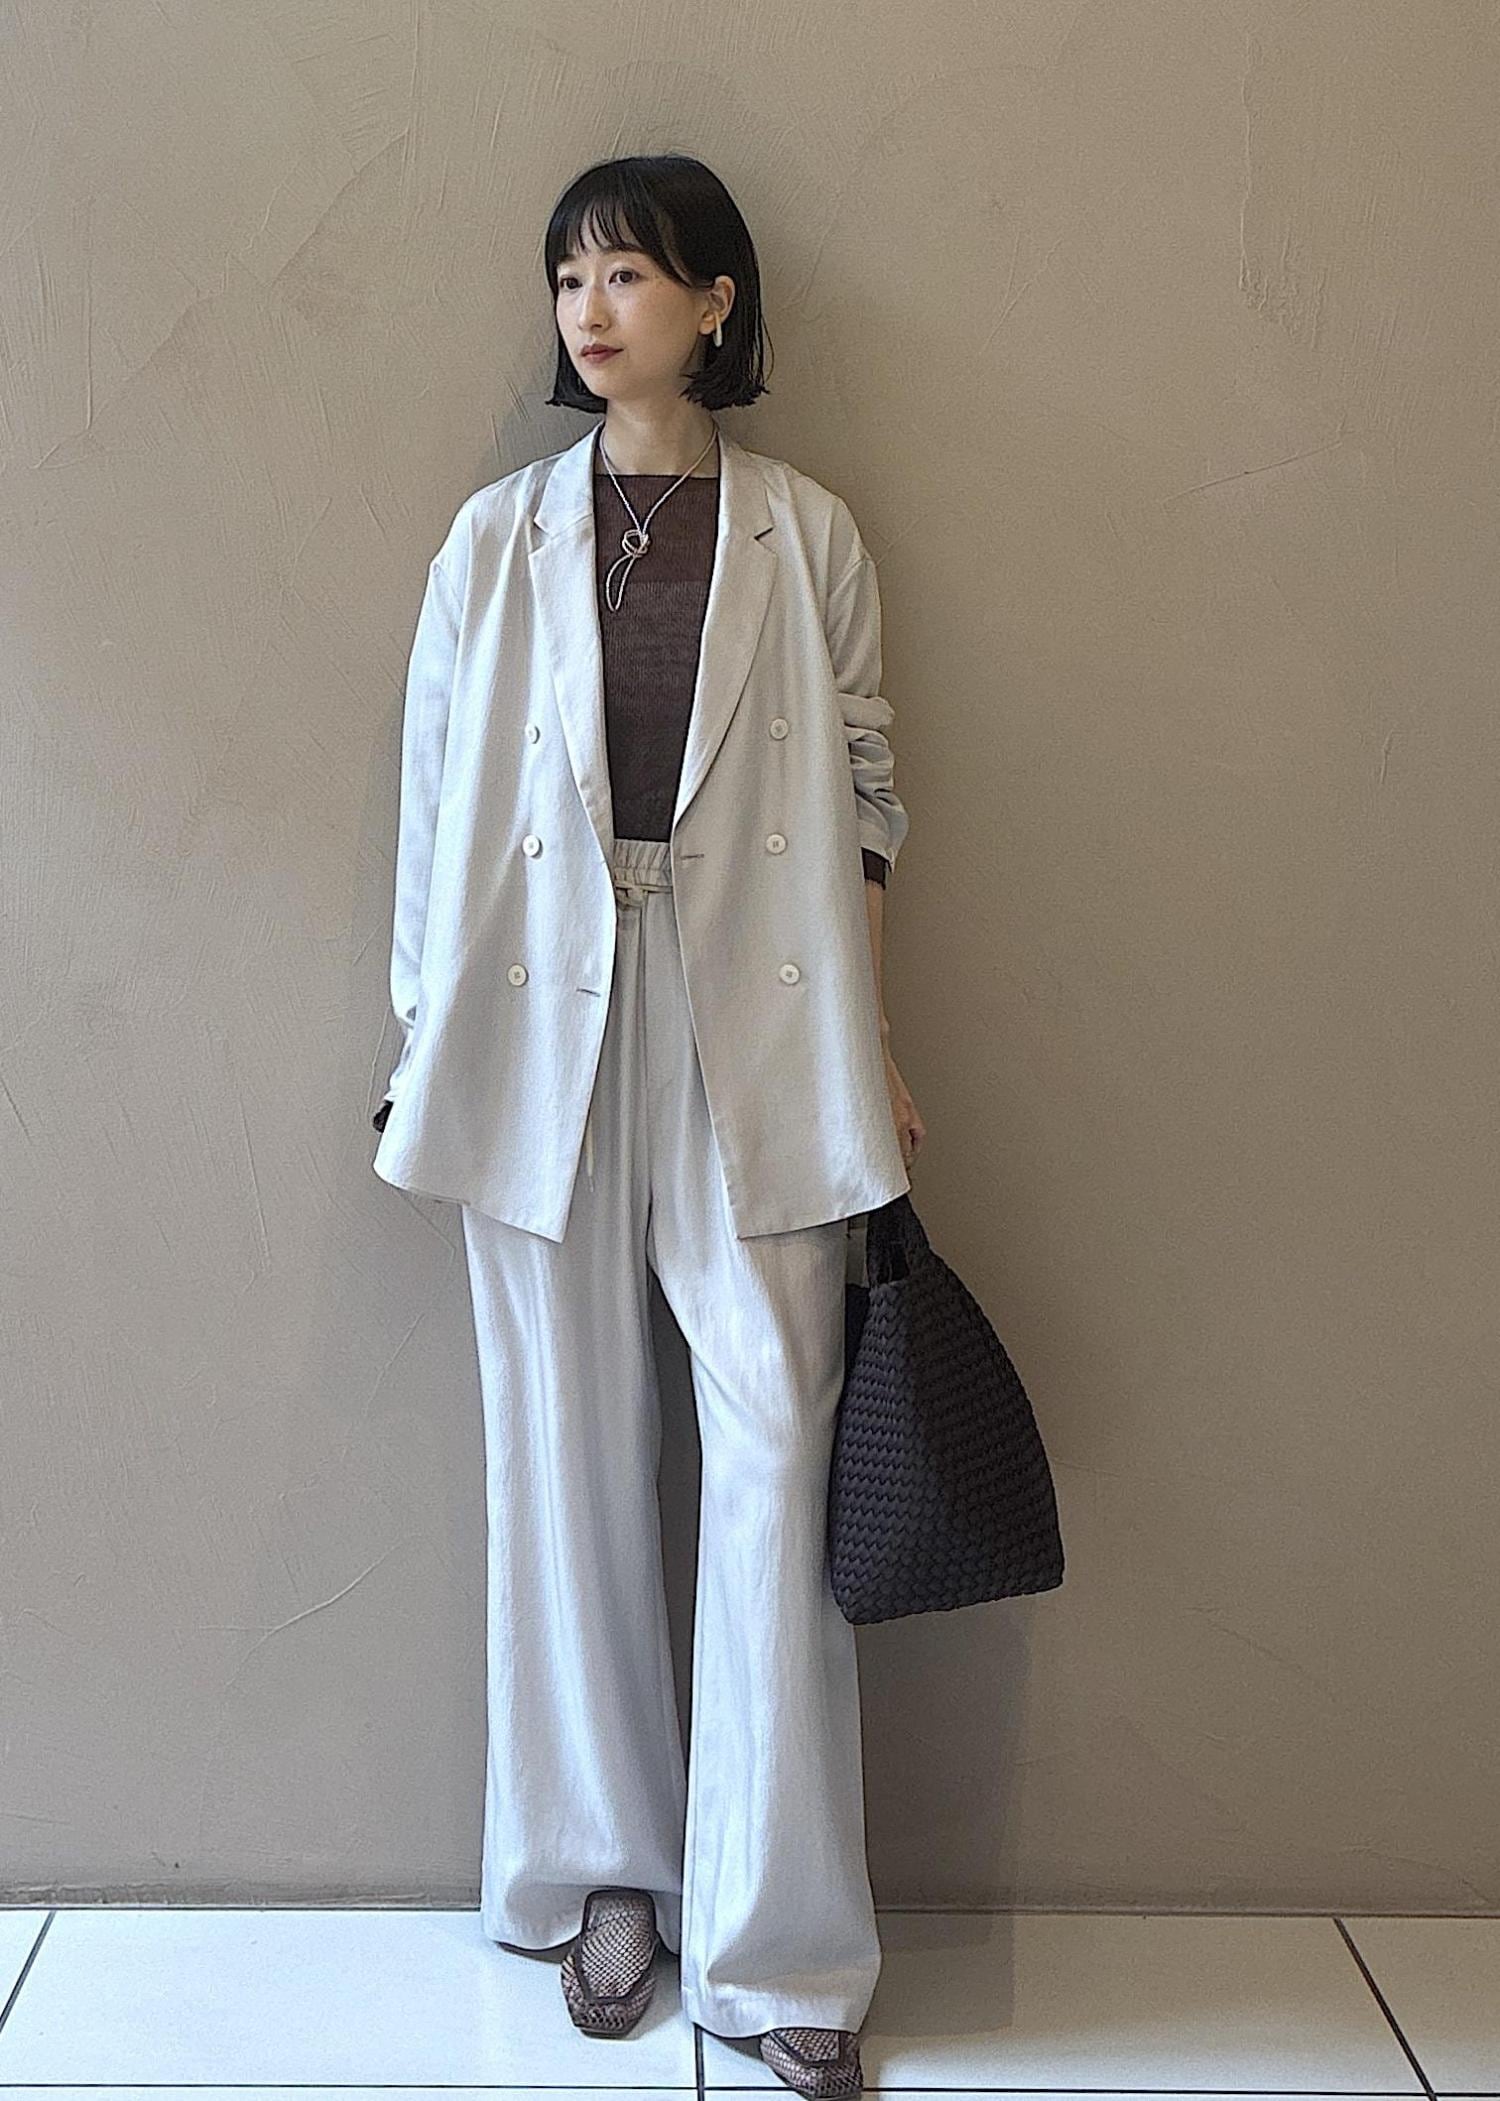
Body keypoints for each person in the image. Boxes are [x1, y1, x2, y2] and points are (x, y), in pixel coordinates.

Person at [372, 153, 925, 2098]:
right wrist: (422, 1030)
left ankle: (779, 1944)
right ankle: (610, 1872)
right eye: (567, 279)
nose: (590, 310)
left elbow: (869, 798)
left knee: (774, 1432)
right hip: (538, 1014)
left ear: (715, 301)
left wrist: (875, 1039)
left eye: (626, 274)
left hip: (751, 1011)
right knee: (565, 1439)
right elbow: (434, 800)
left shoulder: (808, 532)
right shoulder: (495, 538)